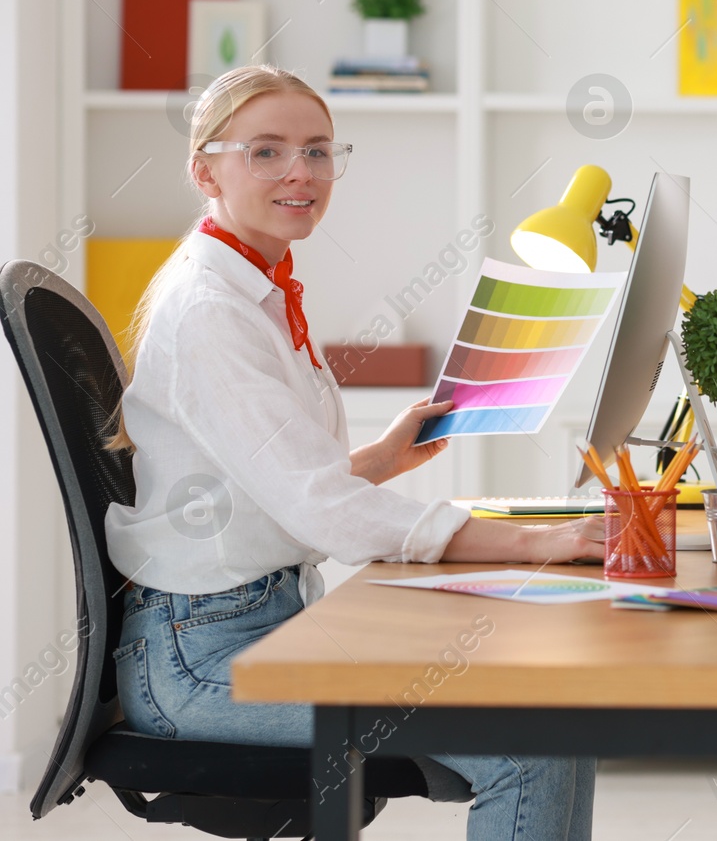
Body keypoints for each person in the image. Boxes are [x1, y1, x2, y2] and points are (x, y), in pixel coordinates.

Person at [103, 65, 603, 841]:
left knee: (541, 717)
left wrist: (378, 461)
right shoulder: (210, 310)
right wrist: (541, 543)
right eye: (266, 151)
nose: (301, 172)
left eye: (318, 150)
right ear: (204, 169)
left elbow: (277, 482)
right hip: (200, 659)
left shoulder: (256, 290)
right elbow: (323, 512)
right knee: (532, 745)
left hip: (257, 621)